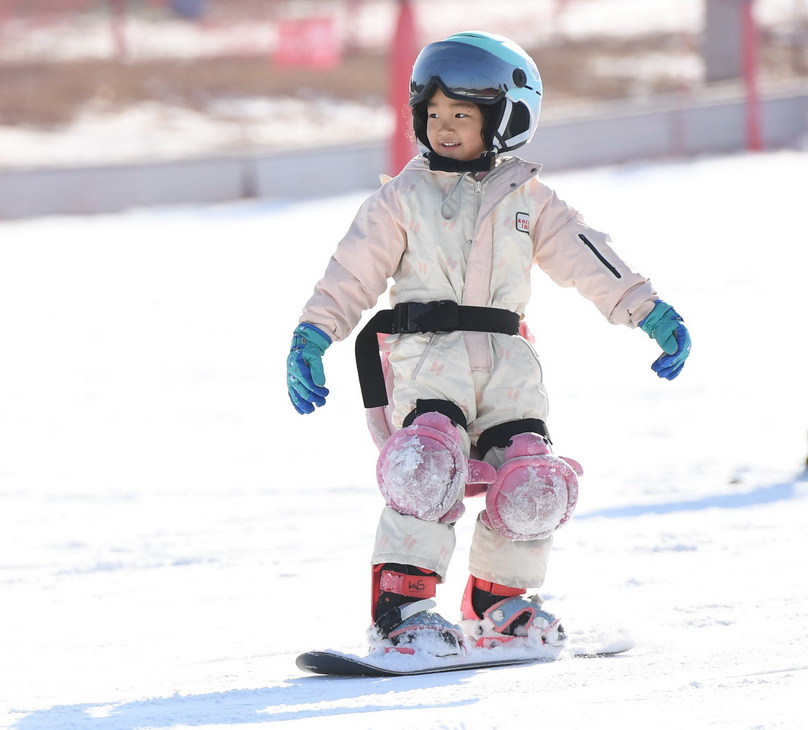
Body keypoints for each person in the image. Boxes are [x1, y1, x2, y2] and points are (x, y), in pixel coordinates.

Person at [285, 31, 691, 658]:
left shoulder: (530, 199)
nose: (443, 128)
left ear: (506, 119)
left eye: (462, 115)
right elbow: (351, 271)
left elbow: (590, 259)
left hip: (508, 367)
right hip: (428, 361)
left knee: (531, 478)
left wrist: (648, 311)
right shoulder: (402, 198)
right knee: (427, 468)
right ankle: (402, 611)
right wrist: (313, 335)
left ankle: (498, 605)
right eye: (434, 114)